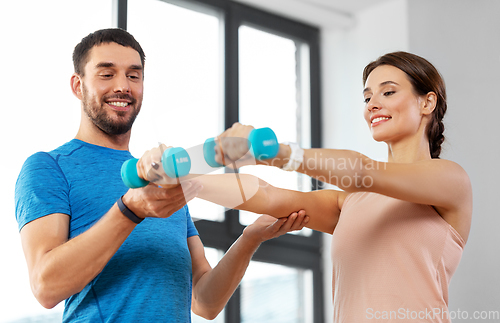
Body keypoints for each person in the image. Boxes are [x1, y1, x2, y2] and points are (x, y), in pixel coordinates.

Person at [138, 51, 472, 322]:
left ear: (427, 103)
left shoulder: (448, 181)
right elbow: (268, 196)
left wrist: (275, 153)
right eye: (367, 96)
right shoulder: (350, 202)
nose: (372, 105)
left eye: (388, 92)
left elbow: (361, 170)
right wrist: (187, 182)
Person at [14, 28, 309, 323]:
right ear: (78, 86)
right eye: (107, 74)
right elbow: (46, 286)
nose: (122, 86)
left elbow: (204, 302)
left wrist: (250, 239)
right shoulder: (49, 167)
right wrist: (129, 210)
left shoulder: (162, 184)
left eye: (133, 75)